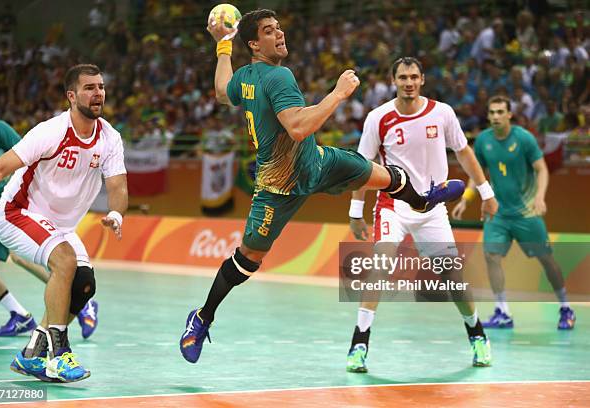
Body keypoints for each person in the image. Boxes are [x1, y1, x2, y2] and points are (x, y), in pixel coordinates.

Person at [179, 10, 466, 364]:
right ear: (254, 44)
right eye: (270, 31)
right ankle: (202, 317)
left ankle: (421, 201)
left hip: (317, 162)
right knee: (247, 260)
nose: (280, 34)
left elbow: (223, 91)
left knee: (388, 176)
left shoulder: (246, 76)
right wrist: (338, 94)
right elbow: (298, 127)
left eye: (279, 27)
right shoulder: (277, 76)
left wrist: (223, 46)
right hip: (278, 186)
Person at [345, 57, 499, 373]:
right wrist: (355, 212)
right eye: (403, 77)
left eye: (414, 77)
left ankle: (477, 333)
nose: (409, 83)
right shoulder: (379, 118)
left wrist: (486, 193)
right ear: (394, 81)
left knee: (453, 278)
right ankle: (359, 343)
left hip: (432, 209)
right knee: (380, 266)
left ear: (423, 79)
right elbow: (362, 168)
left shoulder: (442, 113)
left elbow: (464, 152)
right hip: (393, 206)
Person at [0, 64, 127, 382]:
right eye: (89, 88)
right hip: (17, 213)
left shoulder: (110, 139)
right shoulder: (51, 132)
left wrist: (116, 213)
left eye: (100, 86)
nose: (98, 92)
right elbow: (0, 168)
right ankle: (59, 356)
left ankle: (32, 352)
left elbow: (118, 186)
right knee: (65, 260)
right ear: (72, 96)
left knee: (84, 285)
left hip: (61, 226)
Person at [0, 87, 99, 340]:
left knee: (8, 260)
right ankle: (26, 314)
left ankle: (35, 311)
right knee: (19, 259)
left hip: (14, 203)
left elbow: (27, 154)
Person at [452, 95, 575, 330]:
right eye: (492, 113)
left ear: (509, 115)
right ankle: (503, 311)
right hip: (497, 212)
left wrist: (539, 197)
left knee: (547, 260)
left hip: (526, 212)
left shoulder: (524, 139)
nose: (496, 117)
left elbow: (542, 170)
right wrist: (466, 199)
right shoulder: (483, 141)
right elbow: (476, 174)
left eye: (500, 112)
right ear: (488, 116)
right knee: (491, 256)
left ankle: (565, 307)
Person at [0, 86, 37, 337]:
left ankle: (81, 300)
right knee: (21, 257)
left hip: (6, 202)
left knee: (23, 256)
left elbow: (28, 154)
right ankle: (81, 300)